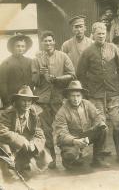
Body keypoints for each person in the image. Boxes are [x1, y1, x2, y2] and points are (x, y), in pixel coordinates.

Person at [77, 22, 119, 164]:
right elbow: (80, 74)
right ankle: (98, 158)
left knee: (118, 124)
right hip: (95, 95)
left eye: (103, 33)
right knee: (100, 126)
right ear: (93, 34)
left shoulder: (113, 48)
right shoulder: (87, 52)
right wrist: (87, 91)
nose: (101, 36)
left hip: (113, 94)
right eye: (98, 34)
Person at [32, 31, 75, 169]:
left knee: (63, 127)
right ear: (42, 43)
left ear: (54, 42)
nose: (48, 43)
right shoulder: (36, 59)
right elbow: (33, 82)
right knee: (45, 130)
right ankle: (51, 159)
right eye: (45, 41)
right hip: (43, 100)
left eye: (50, 40)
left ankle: (68, 157)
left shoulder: (63, 56)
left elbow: (72, 75)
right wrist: (40, 73)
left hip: (59, 98)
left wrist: (57, 79)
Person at [54, 80, 110, 170]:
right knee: (70, 155)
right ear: (68, 96)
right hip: (72, 139)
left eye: (78, 95)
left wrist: (95, 127)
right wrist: (75, 141)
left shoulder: (87, 104)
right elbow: (61, 134)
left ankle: (98, 160)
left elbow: (98, 116)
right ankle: (69, 160)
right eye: (73, 96)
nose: (76, 99)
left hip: (86, 135)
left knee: (103, 128)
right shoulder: (62, 112)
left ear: (82, 96)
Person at [0, 86, 51, 182]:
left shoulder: (33, 115)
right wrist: (22, 141)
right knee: (9, 174)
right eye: (23, 100)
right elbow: (2, 131)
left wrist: (33, 144)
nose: (26, 103)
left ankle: (22, 165)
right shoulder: (8, 113)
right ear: (17, 101)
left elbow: (40, 134)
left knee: (38, 166)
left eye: (29, 101)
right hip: (11, 146)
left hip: (24, 148)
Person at [0, 33, 33, 108]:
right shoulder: (6, 63)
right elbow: (2, 84)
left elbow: (32, 81)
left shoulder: (30, 62)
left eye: (23, 46)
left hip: (26, 101)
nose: (20, 48)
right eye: (18, 46)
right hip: (12, 100)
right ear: (13, 47)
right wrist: (7, 102)